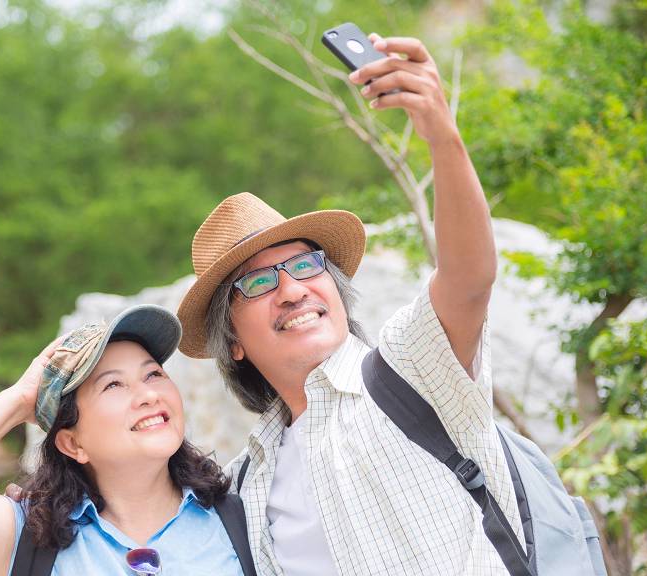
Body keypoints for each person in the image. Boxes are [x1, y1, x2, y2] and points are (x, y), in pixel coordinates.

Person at [174, 33, 524, 575]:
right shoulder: (248, 480)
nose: (293, 290)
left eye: (306, 265)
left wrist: (441, 134)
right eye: (260, 283)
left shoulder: (410, 369)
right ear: (233, 340)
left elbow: (469, 278)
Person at [0, 305, 249, 575]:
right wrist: (22, 399)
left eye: (152, 374)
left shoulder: (243, 516)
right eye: (113, 384)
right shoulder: (30, 538)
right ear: (72, 444)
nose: (148, 394)